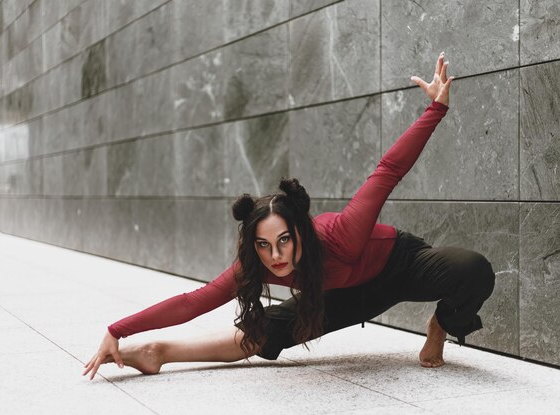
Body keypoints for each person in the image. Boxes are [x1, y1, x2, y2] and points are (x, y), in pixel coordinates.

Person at [83, 52, 495, 381]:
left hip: (398, 265)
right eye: (263, 245)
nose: (275, 256)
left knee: (473, 270)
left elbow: (387, 170)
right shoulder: (256, 264)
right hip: (340, 296)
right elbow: (194, 301)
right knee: (263, 336)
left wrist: (434, 110)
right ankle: (161, 355)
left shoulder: (341, 235)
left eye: (283, 241)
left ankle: (440, 325)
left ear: (299, 233)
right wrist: (119, 330)